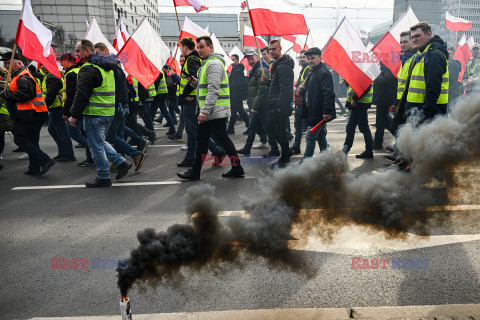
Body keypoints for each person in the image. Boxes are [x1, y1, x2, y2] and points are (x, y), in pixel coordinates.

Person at [177, 36, 244, 180]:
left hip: (213, 111)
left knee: (202, 142)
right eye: (198, 47)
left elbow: (214, 89)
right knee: (220, 140)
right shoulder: (207, 64)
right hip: (215, 111)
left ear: (211, 47)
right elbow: (206, 88)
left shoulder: (213, 64)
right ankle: (237, 167)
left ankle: (195, 172)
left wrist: (204, 111)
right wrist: (194, 82)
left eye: (202, 47)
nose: (199, 50)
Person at [68, 39, 132, 188]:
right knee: (100, 142)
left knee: (96, 146)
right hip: (108, 112)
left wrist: (74, 115)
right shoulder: (108, 67)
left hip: (94, 113)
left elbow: (82, 94)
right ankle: (120, 162)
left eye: (78, 51)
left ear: (88, 51)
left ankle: (104, 176)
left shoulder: (88, 68)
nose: (76, 54)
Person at [93, 42, 147, 173]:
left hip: (118, 106)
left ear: (105, 51)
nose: (96, 56)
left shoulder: (111, 68)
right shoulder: (116, 66)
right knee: (118, 135)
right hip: (122, 105)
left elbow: (118, 90)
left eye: (97, 53)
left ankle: (135, 154)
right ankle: (120, 161)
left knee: (110, 136)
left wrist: (118, 105)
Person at [0, 52, 55, 176]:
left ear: (19, 63)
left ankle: (45, 160)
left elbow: (25, 94)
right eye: (5, 64)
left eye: (9, 63)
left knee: (21, 139)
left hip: (29, 114)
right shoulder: (18, 75)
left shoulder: (23, 76)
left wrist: (6, 95)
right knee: (32, 140)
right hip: (32, 114)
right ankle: (34, 167)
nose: (7, 66)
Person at [384, 30, 417, 163]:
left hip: (411, 101)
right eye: (401, 42)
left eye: (405, 41)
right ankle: (400, 153)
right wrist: (397, 102)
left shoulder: (414, 57)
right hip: (403, 100)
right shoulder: (406, 57)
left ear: (412, 42)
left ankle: (402, 156)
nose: (402, 44)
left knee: (401, 128)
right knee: (398, 127)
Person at [299, 47, 335, 160]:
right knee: (321, 137)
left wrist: (327, 111)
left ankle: (305, 163)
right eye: (308, 58)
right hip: (312, 110)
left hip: (319, 112)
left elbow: (329, 94)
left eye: (313, 58)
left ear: (319, 58)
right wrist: (302, 90)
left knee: (310, 135)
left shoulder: (324, 73)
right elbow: (312, 91)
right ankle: (327, 160)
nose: (310, 61)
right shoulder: (312, 72)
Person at [263, 39, 294, 167]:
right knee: (272, 129)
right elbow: (276, 86)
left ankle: (286, 154)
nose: (271, 51)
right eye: (270, 49)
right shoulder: (277, 65)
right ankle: (286, 152)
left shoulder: (283, 67)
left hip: (279, 106)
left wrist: (280, 106)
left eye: (274, 49)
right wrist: (268, 82)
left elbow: (285, 89)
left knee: (279, 130)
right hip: (275, 104)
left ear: (280, 48)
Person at [61, 53, 95, 167]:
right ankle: (91, 157)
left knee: (74, 133)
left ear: (68, 61)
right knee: (84, 133)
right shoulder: (78, 71)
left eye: (62, 61)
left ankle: (93, 152)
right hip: (82, 107)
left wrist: (67, 112)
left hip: (75, 109)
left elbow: (70, 96)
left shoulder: (70, 74)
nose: (61, 64)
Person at [39, 64, 76, 162]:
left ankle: (68, 154)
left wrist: (43, 107)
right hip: (54, 109)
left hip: (57, 109)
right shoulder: (50, 75)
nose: (42, 67)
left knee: (62, 132)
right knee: (53, 130)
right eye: (41, 65)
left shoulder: (52, 76)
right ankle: (63, 152)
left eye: (44, 65)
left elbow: (51, 95)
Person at [237, 50, 270, 157]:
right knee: (252, 128)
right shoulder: (254, 70)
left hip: (261, 106)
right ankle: (247, 148)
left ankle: (275, 149)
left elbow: (262, 91)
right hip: (256, 105)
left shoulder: (260, 70)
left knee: (268, 128)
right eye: (249, 59)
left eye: (252, 58)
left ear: (257, 57)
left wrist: (255, 107)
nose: (250, 61)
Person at [177, 37, 202, 167]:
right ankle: (190, 157)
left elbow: (193, 79)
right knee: (191, 131)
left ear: (185, 48)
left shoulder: (191, 60)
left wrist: (185, 93)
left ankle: (217, 151)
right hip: (190, 100)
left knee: (193, 131)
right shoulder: (193, 59)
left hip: (190, 100)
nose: (181, 50)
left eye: (181, 47)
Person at [341, 82, 374, 159]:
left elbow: (365, 88)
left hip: (359, 103)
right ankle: (369, 151)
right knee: (364, 127)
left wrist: (355, 98)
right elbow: (352, 89)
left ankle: (345, 149)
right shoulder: (356, 73)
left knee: (350, 127)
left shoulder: (363, 73)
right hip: (360, 103)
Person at [372, 63, 397, 150]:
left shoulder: (389, 67)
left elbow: (385, 81)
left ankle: (377, 143)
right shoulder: (384, 67)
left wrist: (375, 74)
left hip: (385, 99)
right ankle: (377, 143)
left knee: (381, 122)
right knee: (382, 122)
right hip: (382, 99)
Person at [291, 50, 311, 155]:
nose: (302, 59)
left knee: (305, 128)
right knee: (298, 126)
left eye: (304, 57)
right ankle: (296, 146)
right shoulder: (303, 70)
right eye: (301, 57)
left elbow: (306, 87)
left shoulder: (308, 69)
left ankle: (300, 148)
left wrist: (300, 88)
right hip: (300, 103)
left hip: (304, 104)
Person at [227, 54, 249, 134]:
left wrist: (228, 85)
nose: (231, 62)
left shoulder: (237, 70)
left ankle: (249, 126)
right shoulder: (236, 69)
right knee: (234, 112)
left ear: (237, 60)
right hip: (235, 95)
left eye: (233, 60)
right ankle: (231, 129)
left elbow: (236, 84)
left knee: (240, 111)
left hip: (236, 95)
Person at [447, 47, 462, 111]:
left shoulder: (454, 63)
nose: (448, 55)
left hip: (452, 90)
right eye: (447, 53)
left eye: (450, 53)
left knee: (452, 109)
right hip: (449, 89)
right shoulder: (448, 64)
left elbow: (451, 77)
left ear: (454, 54)